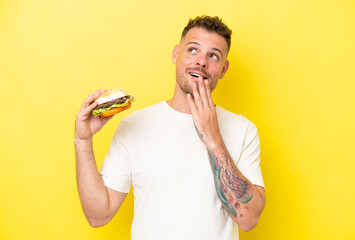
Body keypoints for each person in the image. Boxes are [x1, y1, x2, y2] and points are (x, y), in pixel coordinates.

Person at [75, 16, 265, 240]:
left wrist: (213, 138)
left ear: (223, 69)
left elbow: (249, 219)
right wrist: (83, 141)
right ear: (176, 54)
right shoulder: (134, 125)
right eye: (193, 50)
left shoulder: (243, 130)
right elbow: (99, 215)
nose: (201, 62)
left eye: (213, 56)